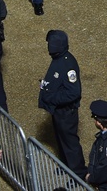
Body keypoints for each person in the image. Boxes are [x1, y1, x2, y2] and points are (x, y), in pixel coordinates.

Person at [39, 30, 87, 177]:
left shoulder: (67, 64)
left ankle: (78, 173)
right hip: (59, 110)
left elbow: (74, 92)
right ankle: (67, 166)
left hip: (66, 111)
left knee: (70, 142)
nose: (48, 46)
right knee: (61, 139)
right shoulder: (58, 58)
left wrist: (52, 97)